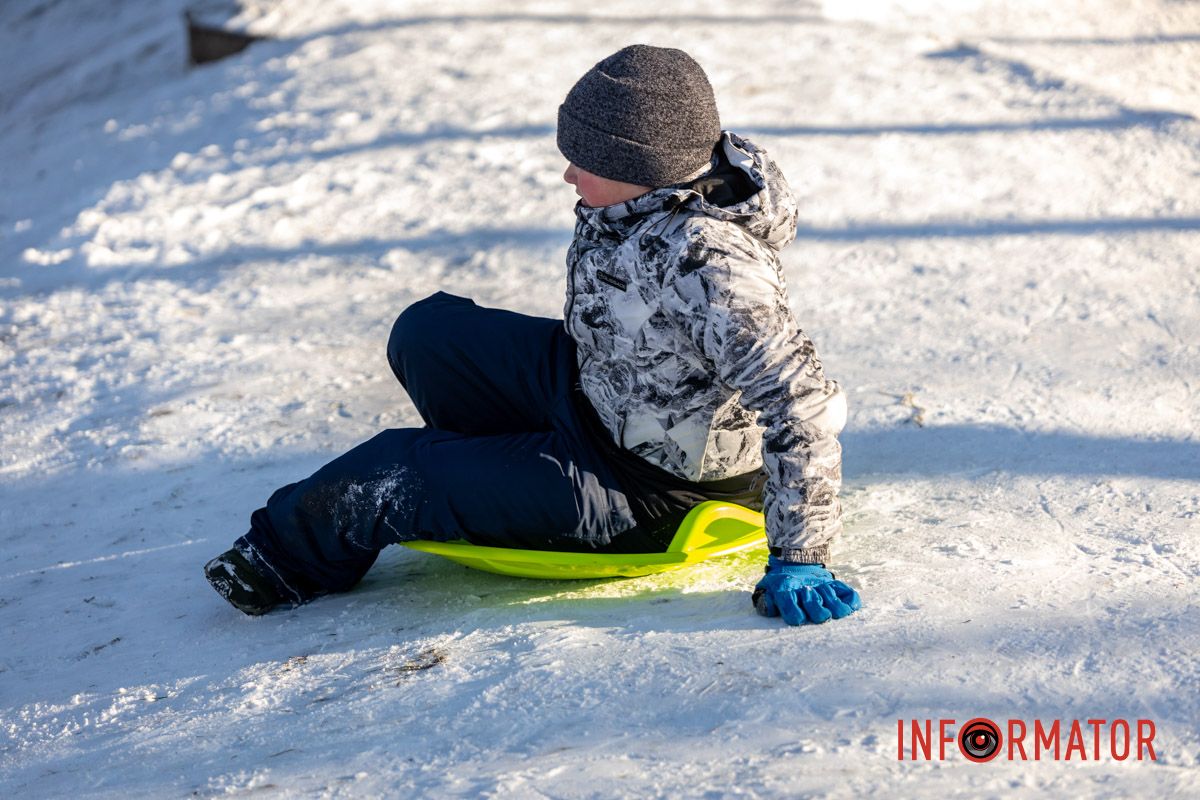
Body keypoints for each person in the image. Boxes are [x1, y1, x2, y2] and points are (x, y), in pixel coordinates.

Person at [204, 44, 861, 626]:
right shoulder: (646, 196)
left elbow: (799, 403)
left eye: (584, 162)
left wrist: (801, 554)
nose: (569, 176)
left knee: (391, 473)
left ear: (639, 166)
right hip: (607, 394)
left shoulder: (711, 267)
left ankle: (280, 563)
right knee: (428, 331)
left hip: (651, 487)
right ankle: (498, 474)